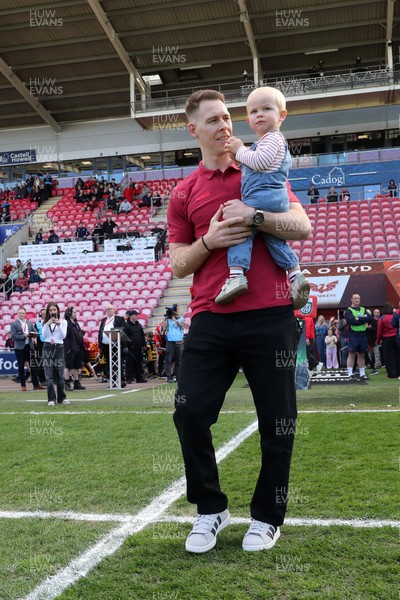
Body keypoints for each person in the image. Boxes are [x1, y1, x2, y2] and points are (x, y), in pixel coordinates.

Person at [167, 89, 311, 554]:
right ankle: (211, 509)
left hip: (270, 314)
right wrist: (208, 241)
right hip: (211, 317)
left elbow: (302, 227)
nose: (225, 126)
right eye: (212, 120)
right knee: (189, 412)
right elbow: (177, 265)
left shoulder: (259, 165)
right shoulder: (184, 192)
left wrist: (257, 216)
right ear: (194, 131)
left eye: (228, 117)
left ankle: (268, 517)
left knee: (278, 421)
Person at [217, 86, 309, 309]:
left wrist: (239, 150)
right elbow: (254, 164)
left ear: (281, 115)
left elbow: (260, 163)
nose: (259, 114)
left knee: (241, 228)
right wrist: (239, 158)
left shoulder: (273, 139)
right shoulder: (264, 143)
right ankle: (296, 276)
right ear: (248, 120)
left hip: (263, 196)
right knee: (274, 239)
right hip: (272, 199)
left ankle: (236, 275)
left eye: (266, 109)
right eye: (254, 111)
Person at [10, 307, 44, 391]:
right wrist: (23, 336)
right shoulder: (14, 324)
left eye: (22, 313)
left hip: (29, 347)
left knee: (34, 366)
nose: (21, 314)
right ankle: (23, 385)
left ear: (25, 314)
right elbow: (13, 336)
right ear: (17, 314)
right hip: (19, 348)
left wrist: (32, 335)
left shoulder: (29, 323)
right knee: (21, 367)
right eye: (19, 313)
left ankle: (36, 384)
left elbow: (36, 332)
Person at [41, 302, 69, 406]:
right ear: (48, 312)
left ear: (57, 310)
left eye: (54, 310)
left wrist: (58, 325)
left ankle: (62, 398)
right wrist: (47, 324)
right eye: (51, 310)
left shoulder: (63, 322)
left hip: (59, 347)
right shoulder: (44, 322)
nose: (53, 312)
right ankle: (51, 399)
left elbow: (63, 336)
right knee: (49, 376)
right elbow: (44, 336)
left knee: (60, 374)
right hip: (48, 347)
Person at [345, 293, 372, 381]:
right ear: (351, 299)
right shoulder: (348, 310)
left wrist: (358, 319)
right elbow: (351, 321)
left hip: (363, 335)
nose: (357, 300)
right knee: (351, 354)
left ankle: (362, 374)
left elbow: (369, 318)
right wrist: (362, 319)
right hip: (353, 335)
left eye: (358, 298)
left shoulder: (363, 309)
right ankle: (350, 374)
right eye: (355, 298)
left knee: (362, 354)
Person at [97, 304, 126, 385]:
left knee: (118, 362)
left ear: (114, 310)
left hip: (115, 344)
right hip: (105, 345)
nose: (108, 310)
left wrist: (124, 345)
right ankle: (112, 381)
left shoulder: (119, 319)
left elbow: (123, 331)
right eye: (107, 309)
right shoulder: (103, 320)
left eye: (110, 309)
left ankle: (121, 380)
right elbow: (100, 331)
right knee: (109, 364)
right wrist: (100, 343)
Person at [63, 307, 86, 391]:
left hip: (78, 347)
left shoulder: (76, 323)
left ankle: (76, 382)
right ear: (69, 314)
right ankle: (67, 383)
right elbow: (65, 337)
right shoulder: (66, 323)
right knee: (68, 366)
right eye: (74, 312)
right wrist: (68, 348)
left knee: (77, 366)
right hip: (70, 348)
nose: (76, 314)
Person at [376, 302, 400, 379]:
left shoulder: (382, 318)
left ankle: (391, 374)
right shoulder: (395, 315)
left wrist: (378, 340)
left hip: (387, 338)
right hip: (396, 337)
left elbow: (379, 331)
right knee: (397, 356)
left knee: (388, 357)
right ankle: (398, 373)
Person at [162, 304, 184, 384]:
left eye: (178, 309)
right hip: (170, 341)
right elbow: (163, 329)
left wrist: (175, 321)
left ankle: (178, 376)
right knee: (168, 360)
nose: (177, 311)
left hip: (178, 341)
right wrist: (167, 319)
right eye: (176, 309)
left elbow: (182, 327)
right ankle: (169, 377)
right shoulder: (168, 320)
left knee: (178, 361)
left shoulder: (181, 319)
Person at [123, 310, 147, 383]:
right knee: (130, 363)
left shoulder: (138, 324)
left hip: (139, 347)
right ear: (131, 316)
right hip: (130, 348)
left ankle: (139, 378)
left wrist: (144, 345)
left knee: (139, 363)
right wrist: (125, 346)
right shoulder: (126, 325)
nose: (137, 316)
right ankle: (129, 378)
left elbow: (142, 335)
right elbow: (124, 336)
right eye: (135, 315)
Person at [366, 308, 380, 374]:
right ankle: (369, 364)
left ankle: (377, 364)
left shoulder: (379, 320)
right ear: (373, 313)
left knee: (376, 353)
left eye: (378, 312)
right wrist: (368, 328)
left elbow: (375, 329)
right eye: (376, 312)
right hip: (369, 339)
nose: (377, 313)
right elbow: (365, 328)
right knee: (369, 353)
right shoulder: (369, 320)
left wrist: (369, 328)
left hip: (375, 339)